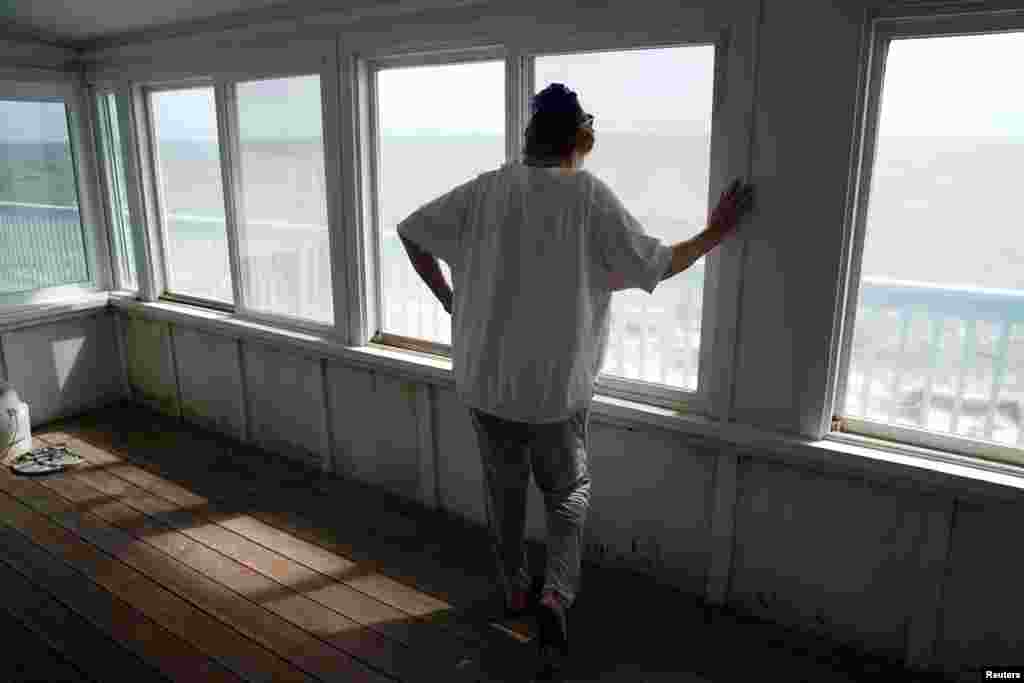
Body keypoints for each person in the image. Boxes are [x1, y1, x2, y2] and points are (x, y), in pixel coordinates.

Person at [396, 83, 754, 677]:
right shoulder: (586, 196)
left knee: (504, 495)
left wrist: (450, 301)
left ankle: (513, 592)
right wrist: (717, 230)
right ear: (578, 140)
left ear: (531, 135)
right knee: (567, 493)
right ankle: (555, 595)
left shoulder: (488, 189)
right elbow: (658, 264)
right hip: (556, 393)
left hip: (487, 386)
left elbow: (412, 231)